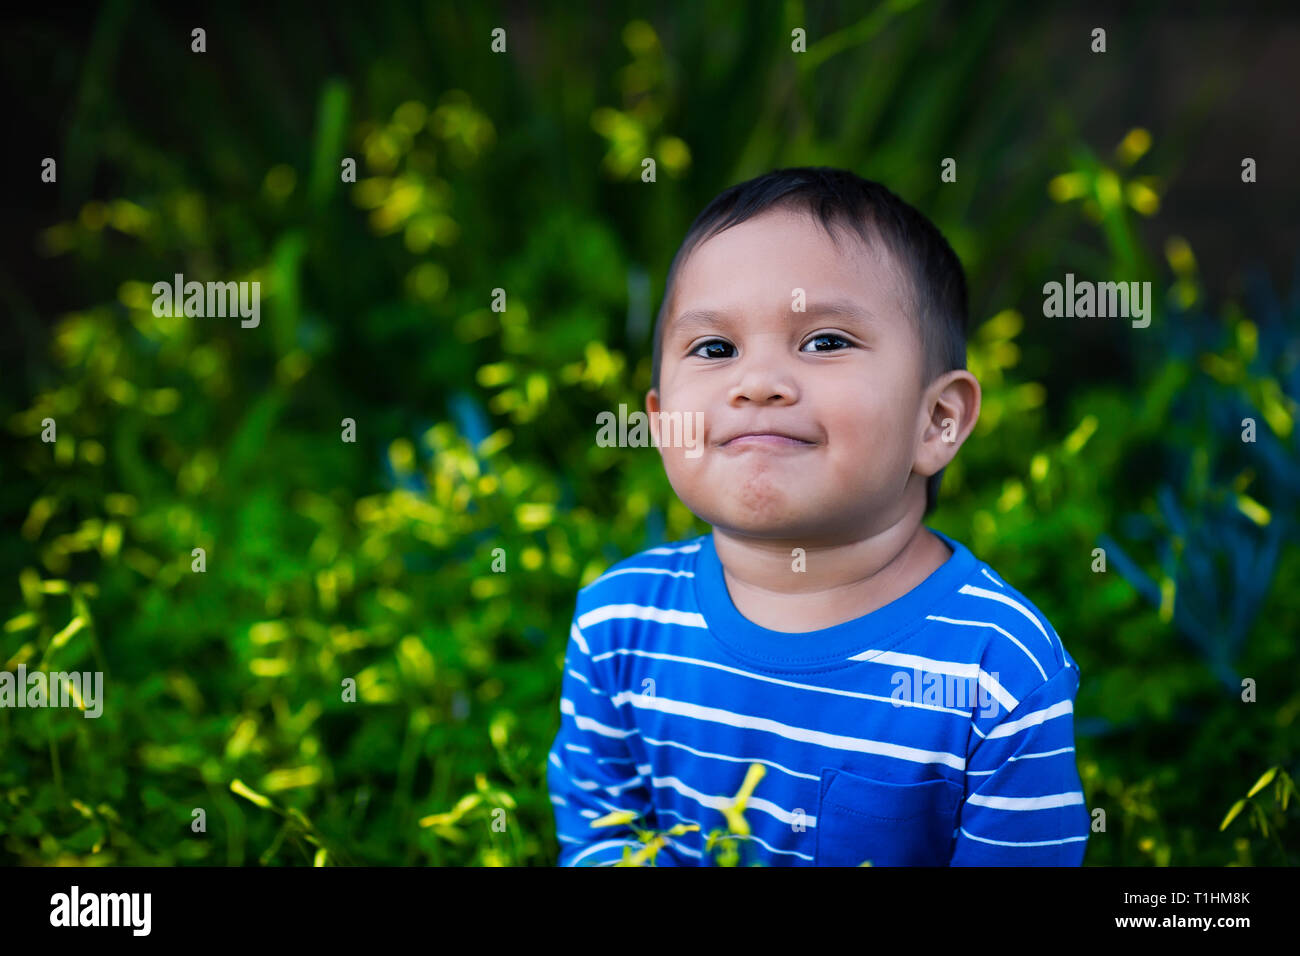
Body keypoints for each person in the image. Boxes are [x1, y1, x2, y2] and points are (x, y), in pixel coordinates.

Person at [547, 167, 1089, 866]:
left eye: (825, 341)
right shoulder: (617, 625)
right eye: (715, 349)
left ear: (937, 420)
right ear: (660, 424)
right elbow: (602, 840)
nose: (758, 383)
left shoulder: (996, 668)